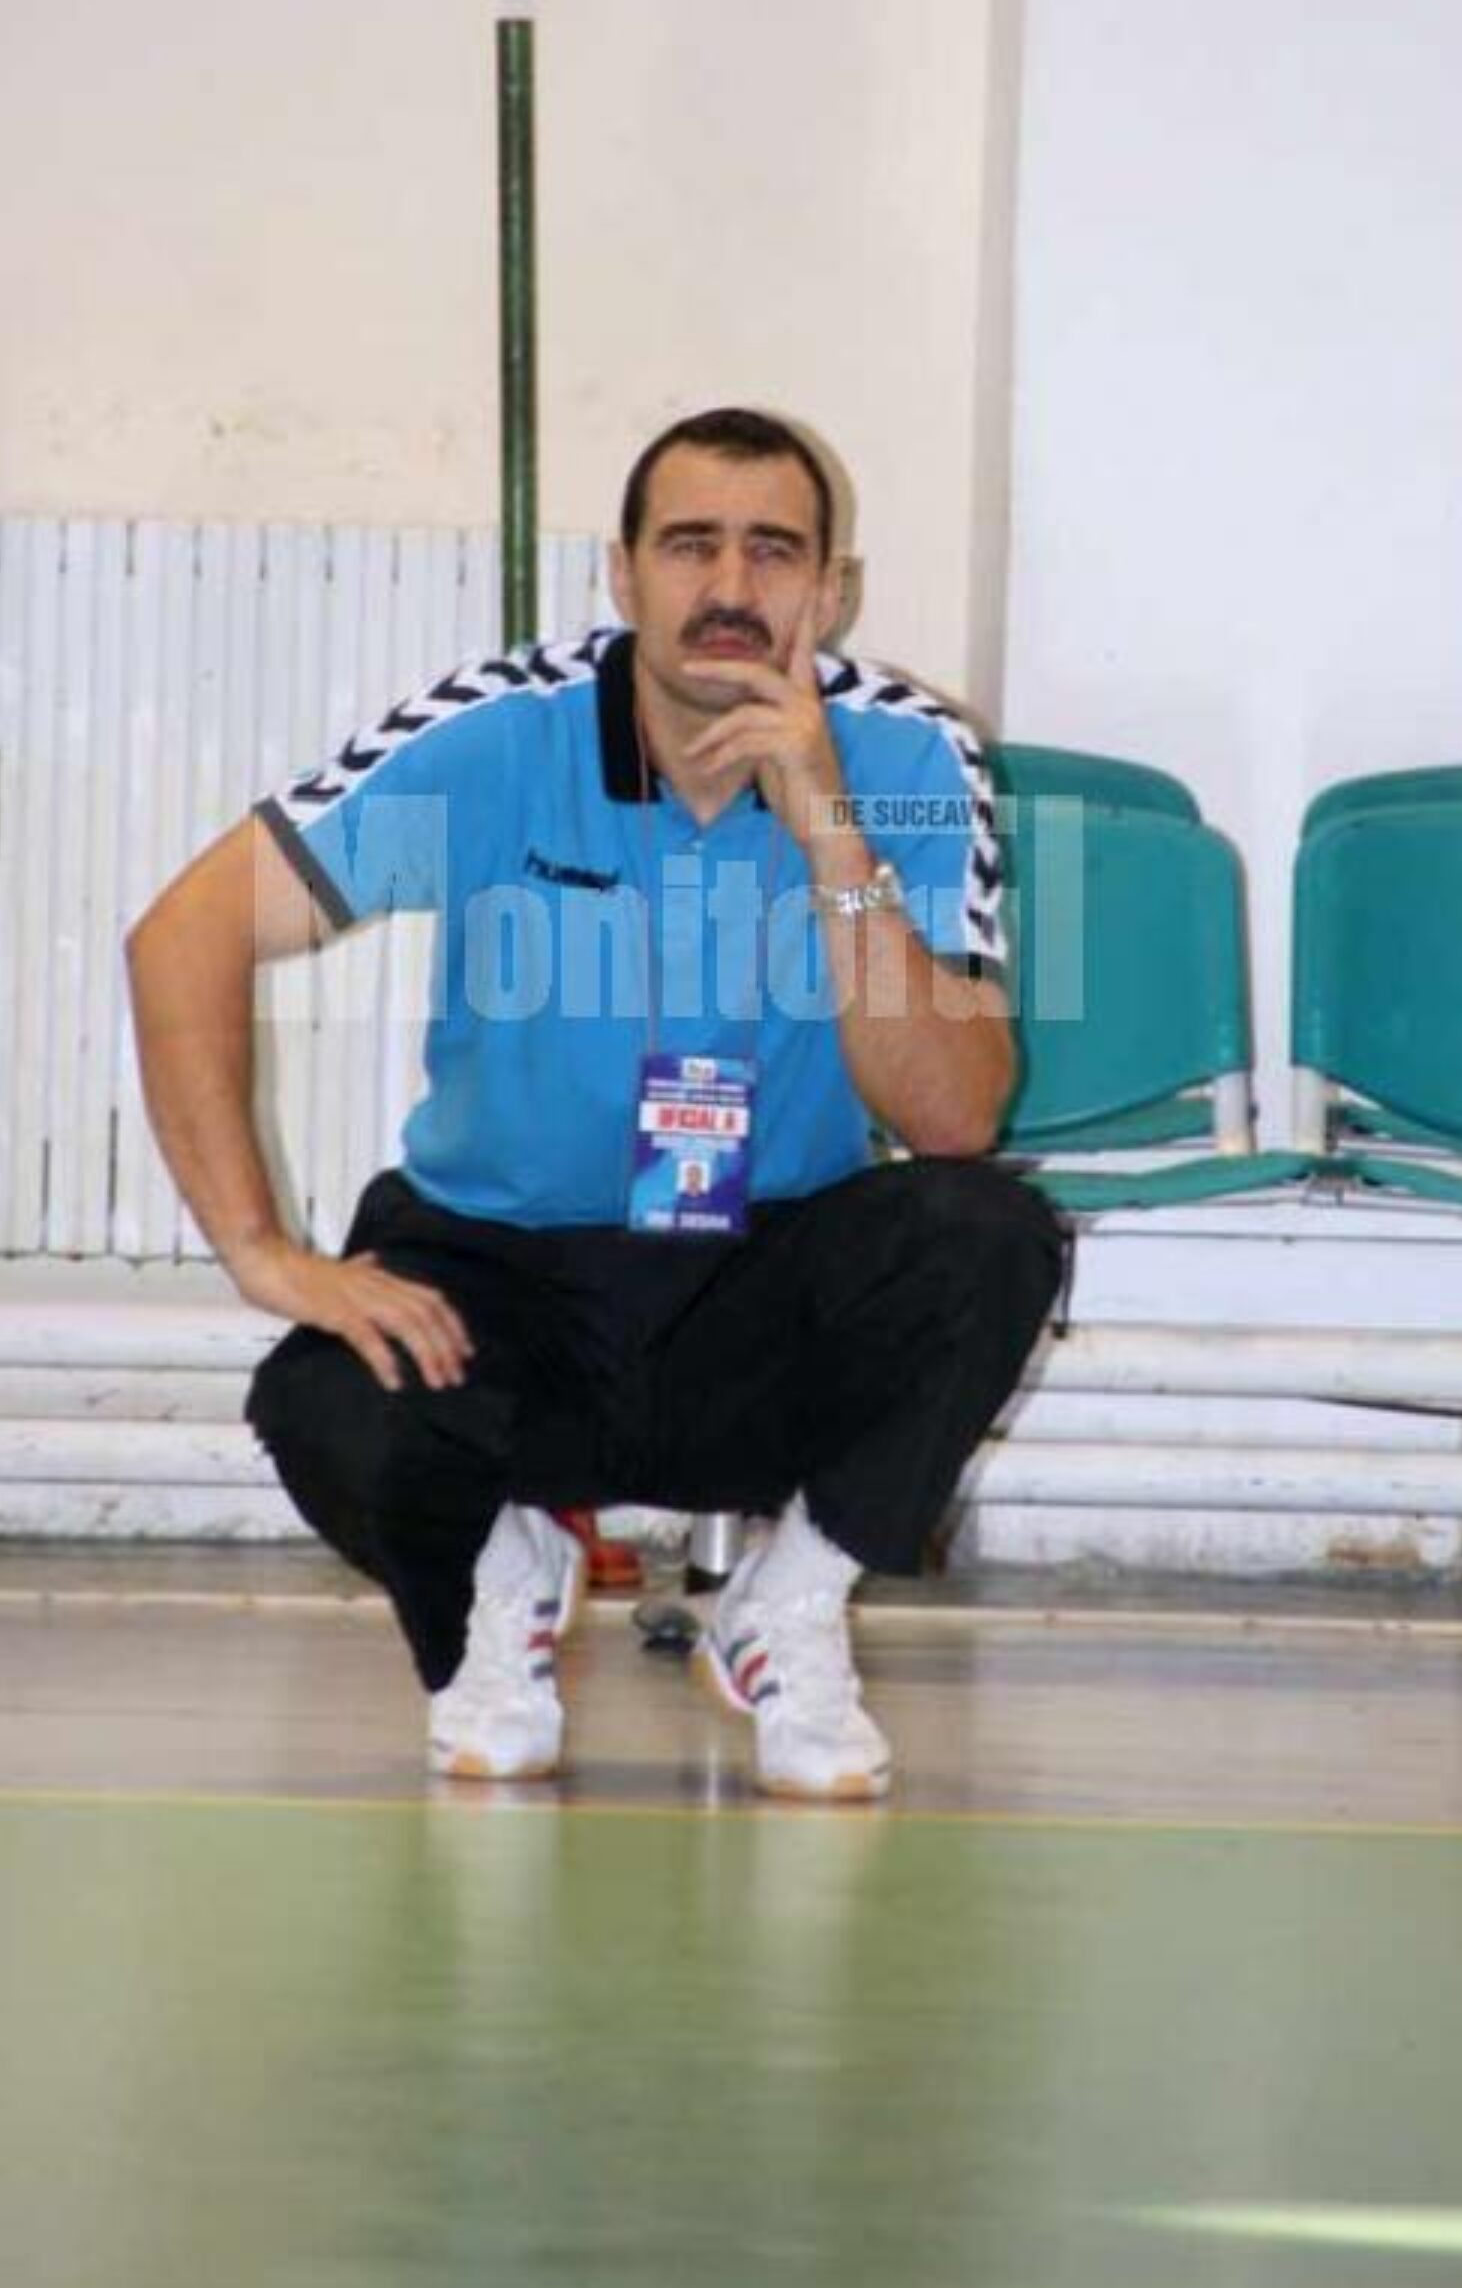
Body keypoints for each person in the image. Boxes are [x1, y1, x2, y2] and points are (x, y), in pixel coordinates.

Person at [126, 409, 1063, 1800]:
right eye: (690, 546)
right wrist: (263, 1252)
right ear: (622, 574)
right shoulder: (497, 739)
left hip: (763, 1289)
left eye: (773, 551)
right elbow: (183, 937)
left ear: (832, 592)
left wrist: (826, 822)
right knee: (326, 1399)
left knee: (989, 1236)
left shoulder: (913, 761)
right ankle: (500, 1581)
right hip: (504, 1283)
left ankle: (787, 1609)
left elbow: (952, 1119)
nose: (730, 588)